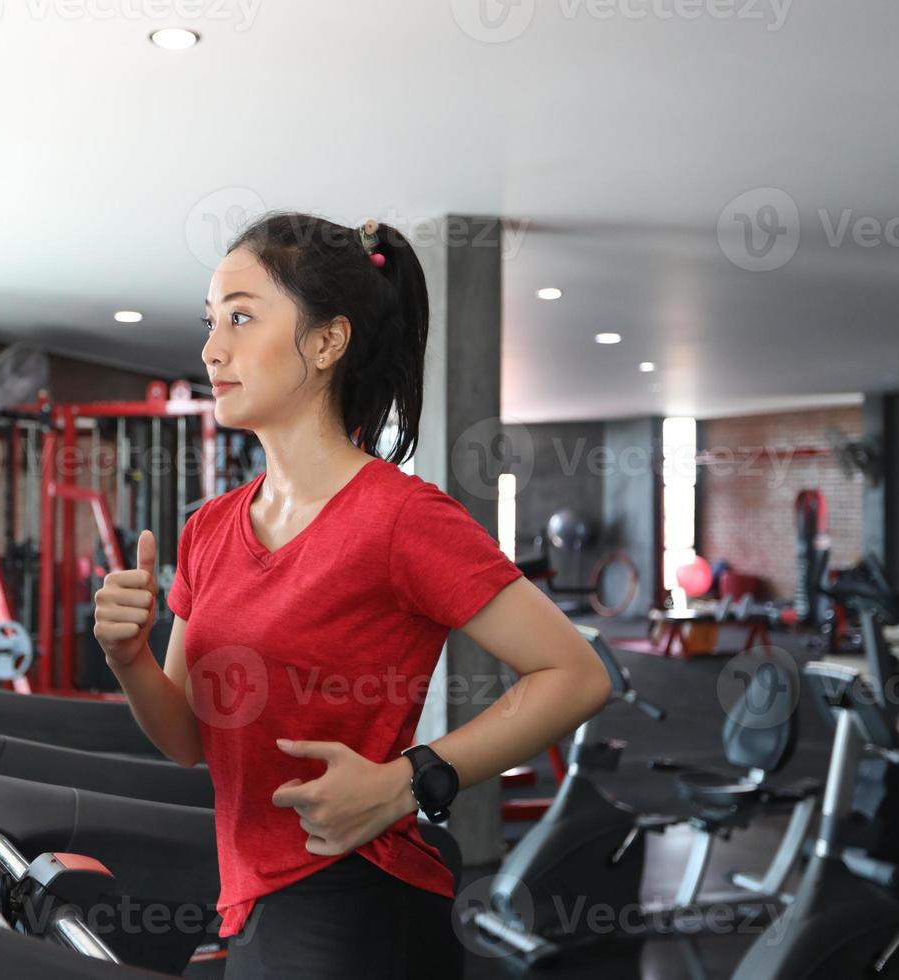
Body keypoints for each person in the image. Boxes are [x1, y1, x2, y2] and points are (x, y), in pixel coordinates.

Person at [93, 211, 612, 978]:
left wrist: (413, 781)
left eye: (240, 317)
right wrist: (128, 657)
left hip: (355, 896)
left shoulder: (401, 519)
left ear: (328, 341)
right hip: (251, 891)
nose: (211, 348)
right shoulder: (208, 529)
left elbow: (578, 674)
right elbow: (188, 742)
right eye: (211, 322)